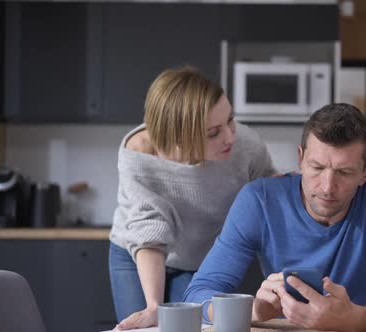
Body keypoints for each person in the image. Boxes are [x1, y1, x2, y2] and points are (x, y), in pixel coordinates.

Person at [183, 103, 366, 331]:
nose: (327, 187)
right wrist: (249, 310)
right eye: (317, 168)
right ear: (300, 159)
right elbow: (197, 295)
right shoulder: (259, 200)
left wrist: (356, 319)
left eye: (344, 172)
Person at [109, 66, 275, 330]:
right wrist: (153, 306)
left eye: (230, 120)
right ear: (178, 135)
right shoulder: (139, 154)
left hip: (200, 257)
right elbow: (148, 228)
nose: (230, 136)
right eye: (213, 132)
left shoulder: (245, 145)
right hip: (139, 252)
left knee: (193, 327)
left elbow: (268, 196)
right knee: (145, 327)